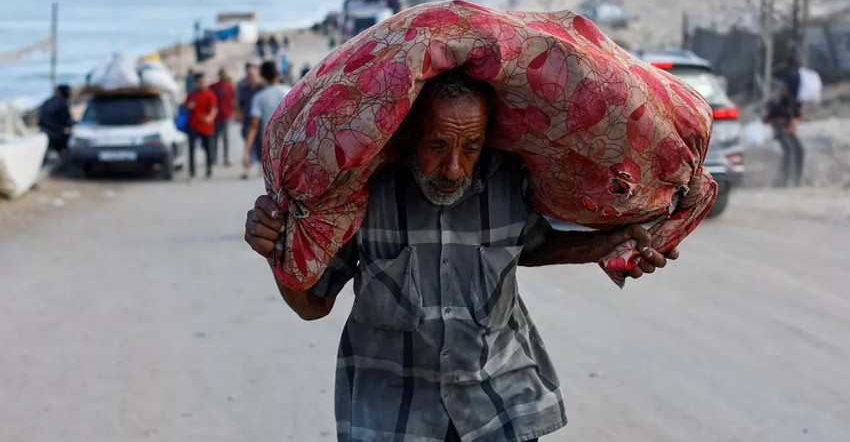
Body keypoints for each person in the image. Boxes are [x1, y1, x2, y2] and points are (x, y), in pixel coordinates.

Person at [244, 69, 678, 442]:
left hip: (500, 408)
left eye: (470, 148)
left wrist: (610, 245)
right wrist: (278, 253)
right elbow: (312, 305)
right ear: (409, 136)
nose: (455, 168)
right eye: (437, 146)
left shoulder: (508, 181)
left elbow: (533, 247)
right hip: (394, 419)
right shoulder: (362, 197)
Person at [243, 61, 290, 178]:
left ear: (262, 77)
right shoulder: (290, 91)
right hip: (291, 142)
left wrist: (247, 151)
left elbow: (254, 126)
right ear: (278, 74)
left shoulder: (259, 97)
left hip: (270, 147)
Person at [766, 85, 804, 187]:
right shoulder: (776, 109)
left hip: (789, 132)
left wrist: (792, 123)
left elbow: (799, 117)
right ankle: (784, 177)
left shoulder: (792, 107)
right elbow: (767, 120)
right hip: (779, 132)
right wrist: (779, 123)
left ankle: (797, 177)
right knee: (788, 151)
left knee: (800, 150)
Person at [185, 73, 217, 179]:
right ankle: (192, 172)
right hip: (193, 125)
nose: (202, 84)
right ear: (196, 83)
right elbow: (185, 106)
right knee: (191, 149)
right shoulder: (192, 94)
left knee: (208, 149)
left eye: (203, 81)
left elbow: (214, 109)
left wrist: (210, 117)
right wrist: (189, 106)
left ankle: (209, 169)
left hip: (206, 126)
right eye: (199, 82)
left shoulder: (210, 94)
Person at [236, 63, 265, 178]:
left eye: (252, 74)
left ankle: (261, 167)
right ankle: (246, 169)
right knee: (248, 144)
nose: (250, 76)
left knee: (260, 145)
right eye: (249, 74)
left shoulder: (263, 89)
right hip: (247, 120)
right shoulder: (244, 89)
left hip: (260, 121)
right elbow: (240, 104)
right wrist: (238, 114)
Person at [210, 68, 236, 166]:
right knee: (215, 138)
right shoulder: (214, 87)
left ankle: (226, 158)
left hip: (225, 116)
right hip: (216, 117)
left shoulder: (229, 87)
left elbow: (234, 99)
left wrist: (233, 111)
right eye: (221, 74)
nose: (222, 76)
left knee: (225, 139)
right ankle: (214, 158)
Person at [38, 84, 74, 154]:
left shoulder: (48, 101)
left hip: (42, 129)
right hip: (55, 134)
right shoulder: (62, 103)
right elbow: (67, 120)